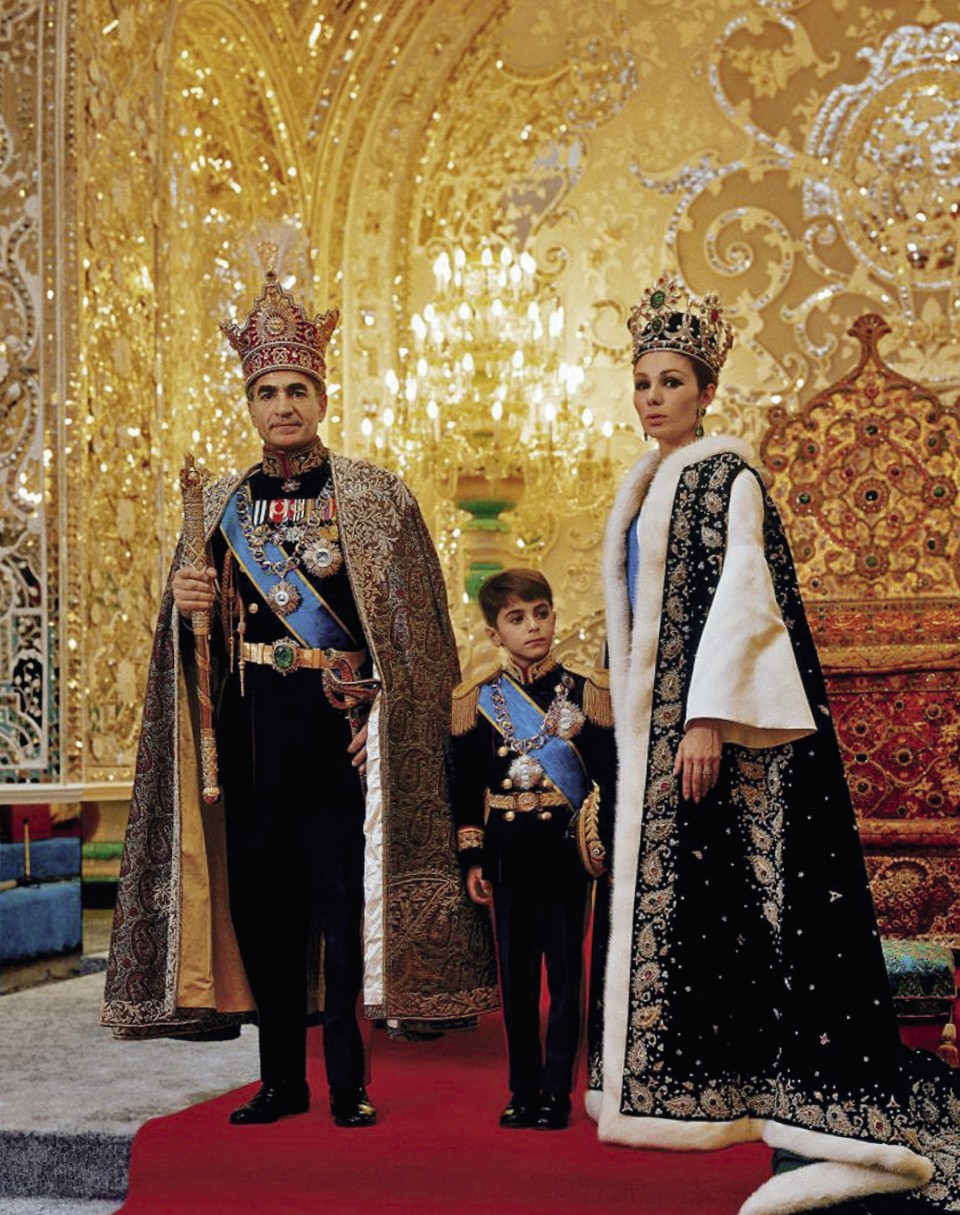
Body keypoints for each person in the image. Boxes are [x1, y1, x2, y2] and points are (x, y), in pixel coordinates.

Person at [101, 251, 497, 1127]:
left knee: (341, 911)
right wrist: (186, 606)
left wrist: (382, 712)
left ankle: (349, 1082)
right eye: (267, 392)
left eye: (296, 390)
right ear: (249, 404)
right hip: (249, 742)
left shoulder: (375, 499)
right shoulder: (218, 507)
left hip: (339, 740)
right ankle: (281, 1081)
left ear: (322, 397)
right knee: (264, 911)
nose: (283, 406)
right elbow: (191, 649)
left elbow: (419, 640)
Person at [589, 276, 959, 1210]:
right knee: (702, 928)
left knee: (754, 918)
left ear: (706, 390)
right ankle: (723, 1100)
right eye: (643, 382)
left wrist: (707, 717)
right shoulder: (643, 487)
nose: (654, 398)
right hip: (652, 750)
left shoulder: (727, 476)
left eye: (672, 381)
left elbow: (747, 603)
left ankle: (809, 1121)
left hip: (712, 740)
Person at [450, 569, 615, 1131]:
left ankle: (556, 1092)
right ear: (494, 634)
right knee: (517, 983)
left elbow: (609, 780)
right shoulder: (476, 700)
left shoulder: (588, 692)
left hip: (566, 853)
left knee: (566, 977)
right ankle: (522, 1090)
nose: (533, 627)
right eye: (517, 618)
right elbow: (465, 787)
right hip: (508, 856)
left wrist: (602, 848)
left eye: (541, 613)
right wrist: (473, 858)